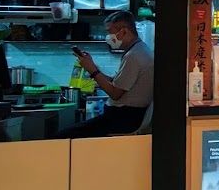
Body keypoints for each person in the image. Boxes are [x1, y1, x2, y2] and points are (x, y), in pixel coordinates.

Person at [61, 10, 154, 138]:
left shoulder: (134, 56)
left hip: (123, 119)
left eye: (110, 32)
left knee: (64, 135)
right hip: (124, 117)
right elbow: (117, 82)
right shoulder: (138, 50)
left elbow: (115, 93)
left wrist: (93, 70)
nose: (108, 37)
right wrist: (91, 67)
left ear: (124, 31)